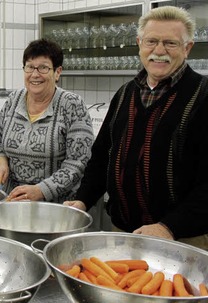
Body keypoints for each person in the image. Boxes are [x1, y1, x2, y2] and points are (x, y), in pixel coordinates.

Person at [64, 6, 208, 250]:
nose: (159, 51)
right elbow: (101, 157)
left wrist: (168, 226)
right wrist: (83, 199)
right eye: (151, 41)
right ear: (139, 43)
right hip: (123, 230)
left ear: (187, 48)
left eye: (170, 43)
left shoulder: (203, 96)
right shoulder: (125, 94)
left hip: (182, 239)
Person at [0, 39, 94, 203]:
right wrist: (1, 163)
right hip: (13, 202)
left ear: (57, 72)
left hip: (55, 207)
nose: (35, 74)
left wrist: (41, 190)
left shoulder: (72, 105)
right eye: (30, 67)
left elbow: (77, 162)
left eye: (43, 68)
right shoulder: (13, 100)